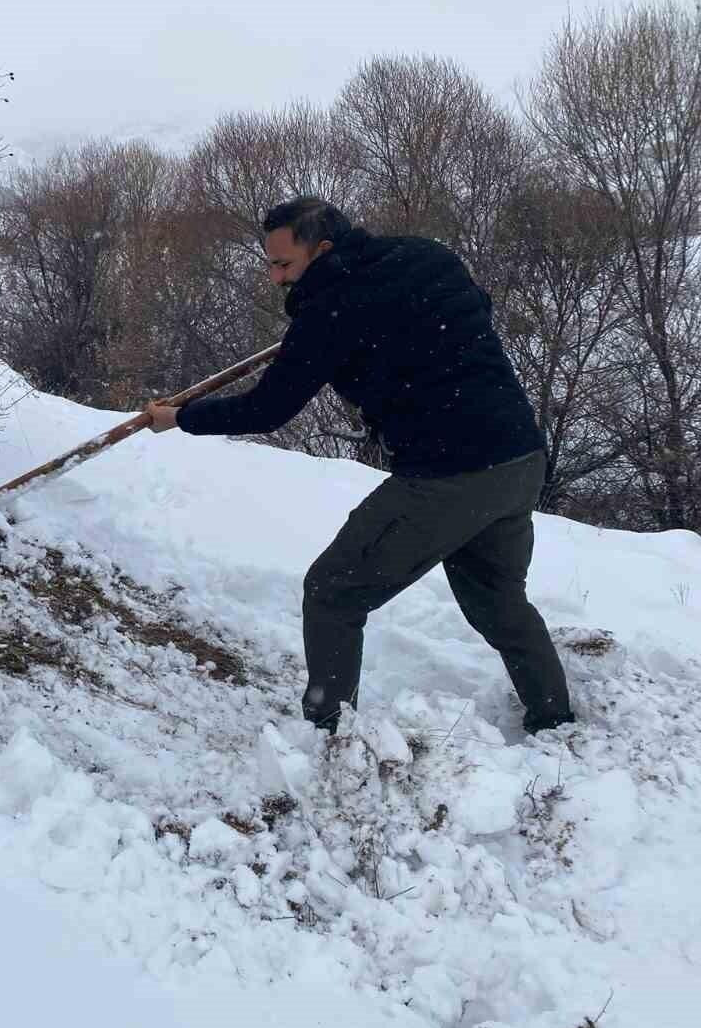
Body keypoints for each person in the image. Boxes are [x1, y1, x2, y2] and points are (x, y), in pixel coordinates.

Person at [145, 197, 575, 736]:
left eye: (284, 265)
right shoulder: (426, 256)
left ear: (322, 250)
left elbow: (267, 410)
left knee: (333, 592)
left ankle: (329, 732)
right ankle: (555, 717)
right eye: (270, 264)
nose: (277, 279)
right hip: (519, 457)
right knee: (498, 602)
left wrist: (180, 417)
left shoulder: (329, 310)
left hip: (449, 475)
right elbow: (476, 307)